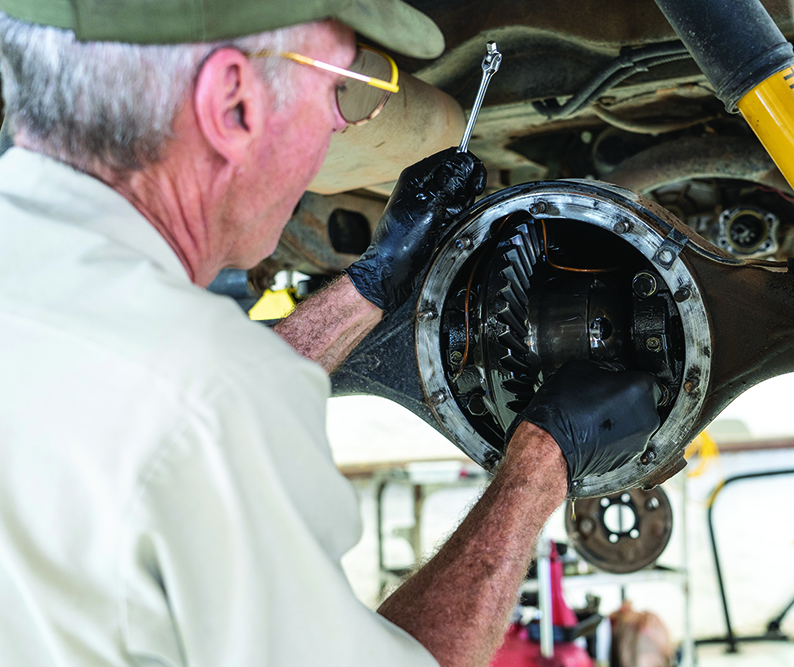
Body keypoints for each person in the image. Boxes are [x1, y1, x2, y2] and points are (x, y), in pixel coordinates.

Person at [0, 1, 662, 666]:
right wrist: (542, 465)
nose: (341, 125)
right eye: (342, 88)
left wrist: (371, 282)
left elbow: (145, 400)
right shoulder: (212, 395)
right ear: (233, 104)